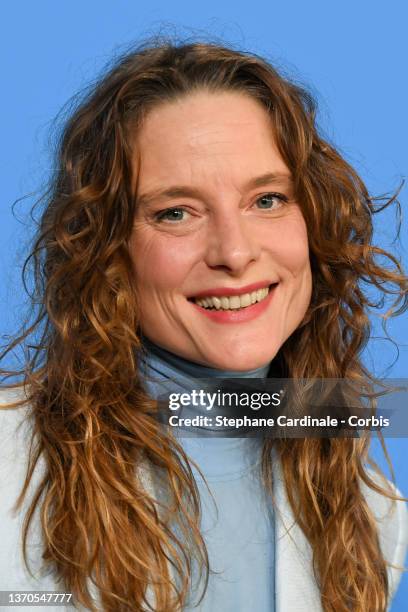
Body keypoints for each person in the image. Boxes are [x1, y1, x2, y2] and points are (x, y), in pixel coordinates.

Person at [0, 39, 407, 612]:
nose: (235, 253)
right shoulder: (8, 470)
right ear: (106, 248)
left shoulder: (372, 511)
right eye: (175, 212)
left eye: (267, 199)